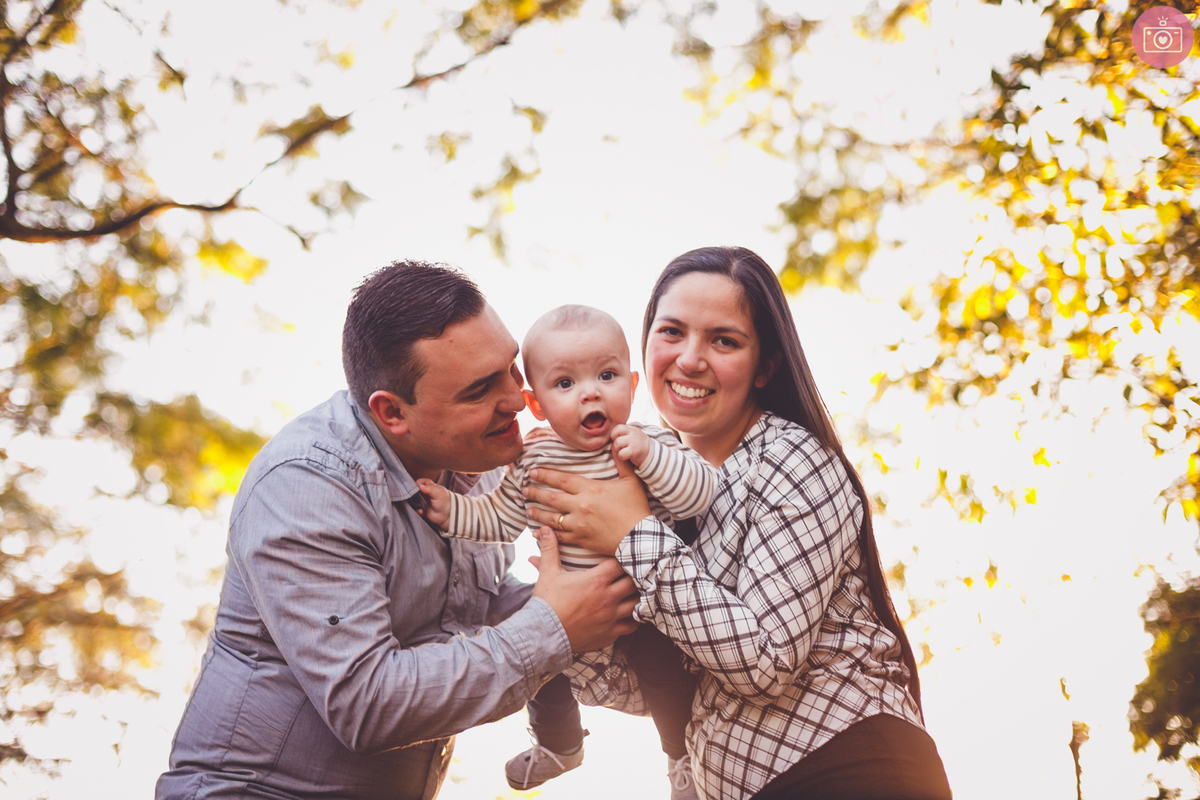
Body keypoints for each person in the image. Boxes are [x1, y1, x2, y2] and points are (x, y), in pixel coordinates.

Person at [155, 261, 639, 800]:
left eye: (512, 370)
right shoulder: (308, 485)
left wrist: (613, 597)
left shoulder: (480, 467)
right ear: (393, 413)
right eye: (480, 390)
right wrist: (553, 627)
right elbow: (367, 705)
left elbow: (467, 614)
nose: (516, 400)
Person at [521, 247, 953, 800]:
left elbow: (764, 662)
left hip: (850, 772)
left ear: (765, 366)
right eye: (671, 331)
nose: (690, 359)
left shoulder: (792, 460)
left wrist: (633, 535)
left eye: (723, 340)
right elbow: (651, 684)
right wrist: (572, 610)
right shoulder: (641, 478)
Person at [417, 304, 716, 798]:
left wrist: (649, 456)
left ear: (632, 384)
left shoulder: (650, 442)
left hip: (645, 601)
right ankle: (561, 744)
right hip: (569, 603)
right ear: (536, 405)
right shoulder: (533, 457)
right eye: (565, 384)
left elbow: (698, 494)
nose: (590, 391)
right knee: (538, 656)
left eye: (606, 374)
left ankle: (679, 757)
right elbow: (500, 517)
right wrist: (453, 510)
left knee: (664, 675)